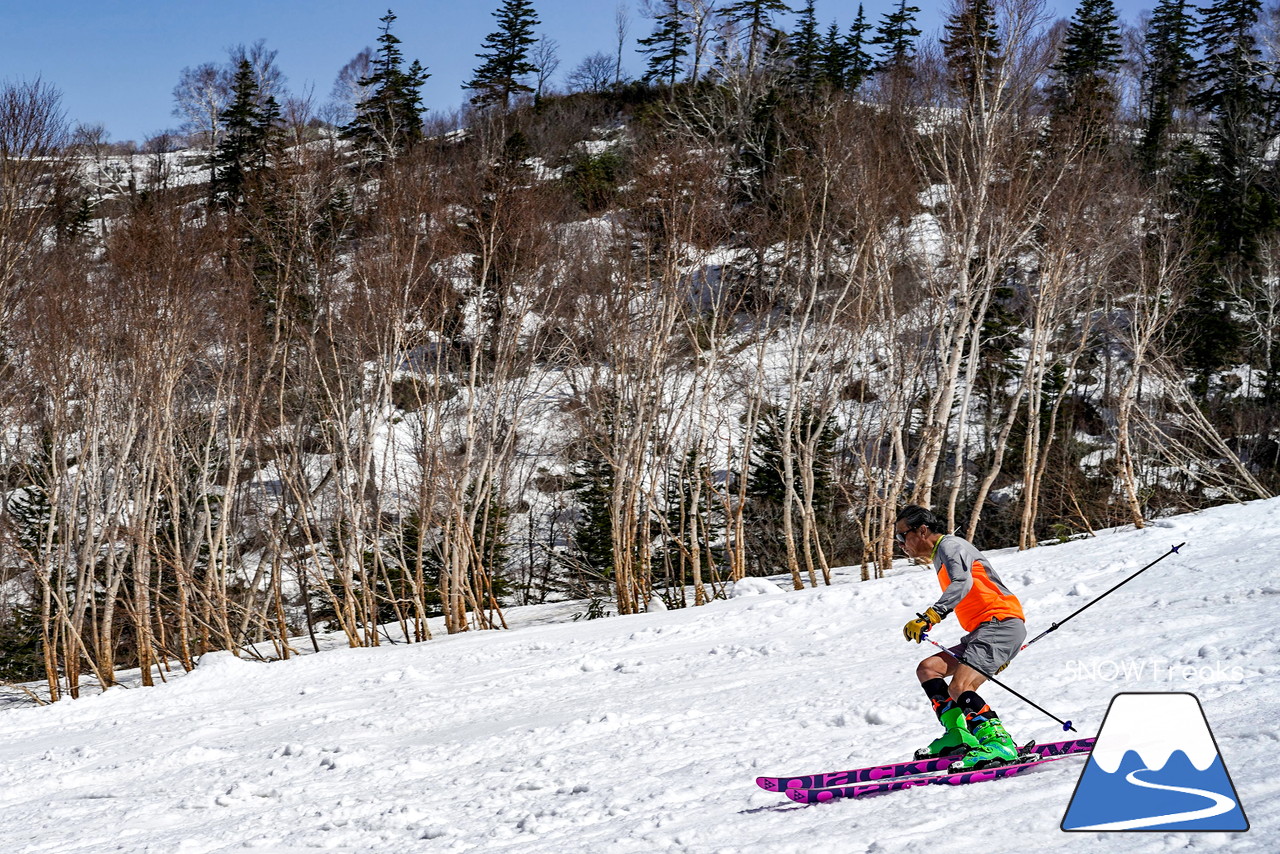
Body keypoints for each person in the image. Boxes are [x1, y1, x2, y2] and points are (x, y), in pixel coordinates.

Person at [894, 504, 1027, 769]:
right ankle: (958, 735)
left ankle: (999, 743)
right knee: (929, 669)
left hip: (999, 624)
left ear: (922, 531)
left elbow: (962, 583)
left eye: (902, 536)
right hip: (985, 630)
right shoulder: (939, 555)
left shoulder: (950, 546)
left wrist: (932, 615)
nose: (900, 544)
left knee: (960, 687)